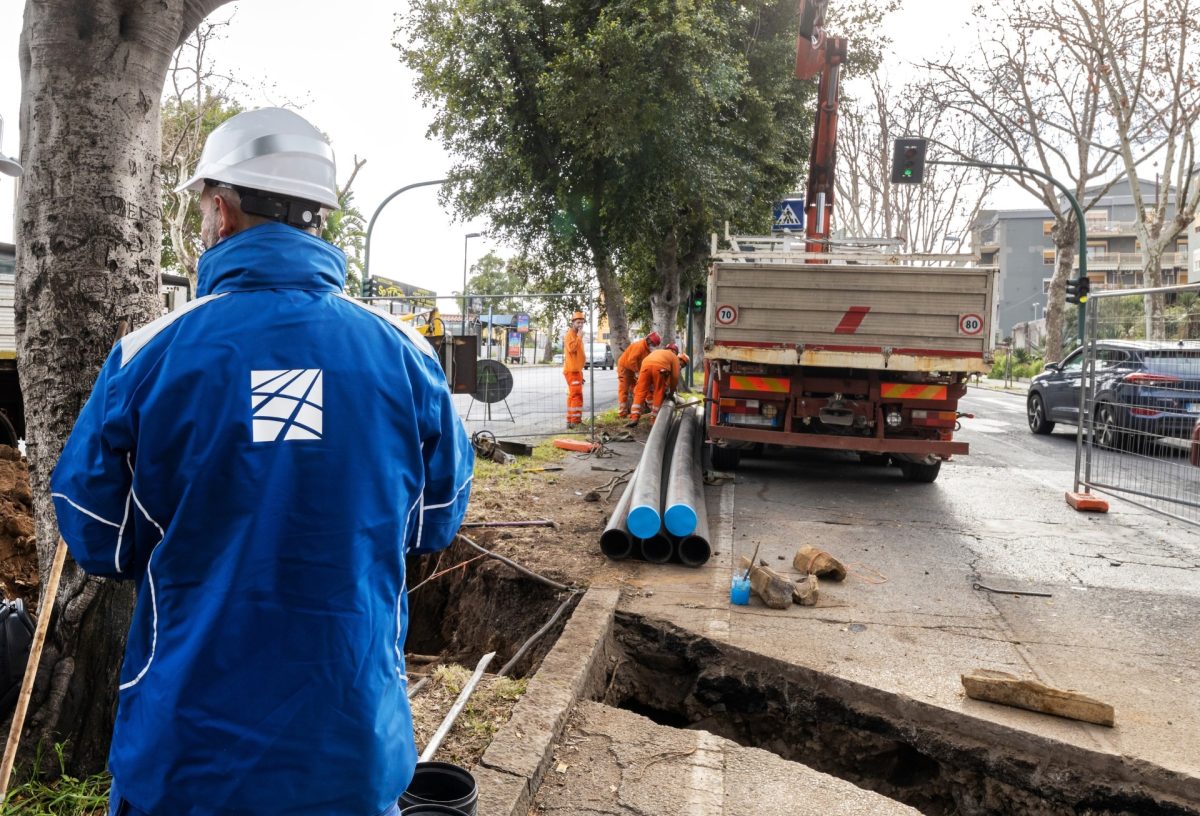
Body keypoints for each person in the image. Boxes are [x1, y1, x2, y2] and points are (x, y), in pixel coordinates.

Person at [50, 108, 474, 816]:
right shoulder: (408, 356)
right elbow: (433, 523)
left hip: (186, 750)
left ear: (220, 208)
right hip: (351, 744)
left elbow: (98, 536)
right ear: (319, 219)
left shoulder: (146, 356)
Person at [627, 344, 682, 426]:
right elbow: (674, 377)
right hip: (660, 368)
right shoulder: (674, 357)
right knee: (658, 391)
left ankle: (634, 417)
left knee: (640, 391)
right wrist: (671, 393)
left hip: (645, 366)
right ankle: (654, 419)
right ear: (675, 352)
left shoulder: (657, 352)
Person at [615, 331, 661, 417]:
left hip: (634, 369)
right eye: (653, 345)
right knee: (624, 389)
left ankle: (640, 410)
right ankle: (622, 412)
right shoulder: (639, 346)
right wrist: (637, 372)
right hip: (625, 368)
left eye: (655, 346)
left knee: (638, 388)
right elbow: (631, 360)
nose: (653, 347)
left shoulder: (648, 350)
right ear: (649, 341)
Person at [562, 310, 586, 428]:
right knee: (576, 396)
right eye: (578, 322)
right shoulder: (570, 335)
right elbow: (572, 349)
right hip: (572, 371)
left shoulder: (575, 335)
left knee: (574, 395)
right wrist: (579, 337)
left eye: (582, 322)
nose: (580, 325)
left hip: (577, 371)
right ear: (573, 323)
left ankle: (571, 421)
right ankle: (575, 422)